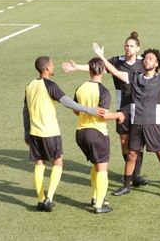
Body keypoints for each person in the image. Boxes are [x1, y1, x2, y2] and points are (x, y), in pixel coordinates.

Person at [62, 31, 160, 187]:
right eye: (126, 46)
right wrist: (76, 67)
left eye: (131, 46)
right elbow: (98, 66)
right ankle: (132, 173)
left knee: (137, 142)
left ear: (138, 48)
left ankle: (136, 175)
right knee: (125, 141)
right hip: (123, 107)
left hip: (140, 107)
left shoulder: (144, 61)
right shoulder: (116, 61)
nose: (128, 48)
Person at [92, 43, 160, 200]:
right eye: (146, 58)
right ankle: (127, 186)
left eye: (151, 59)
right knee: (132, 155)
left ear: (157, 64)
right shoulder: (134, 77)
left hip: (154, 125)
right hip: (136, 124)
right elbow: (114, 71)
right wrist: (101, 56)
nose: (147, 60)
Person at [23, 56, 105, 212]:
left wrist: (27, 132)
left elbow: (25, 111)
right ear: (46, 68)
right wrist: (91, 109)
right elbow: (68, 103)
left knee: (39, 164)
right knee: (58, 163)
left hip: (34, 133)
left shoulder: (30, 85)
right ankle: (49, 198)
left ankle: (40, 200)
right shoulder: (50, 85)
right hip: (50, 132)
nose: (53, 67)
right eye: (52, 65)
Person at [73, 57, 125, 214]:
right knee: (102, 169)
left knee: (96, 165)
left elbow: (75, 109)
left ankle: (96, 197)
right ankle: (99, 205)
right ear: (103, 70)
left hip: (80, 132)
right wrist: (118, 115)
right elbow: (103, 115)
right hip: (97, 133)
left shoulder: (80, 88)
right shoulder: (103, 91)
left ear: (89, 70)